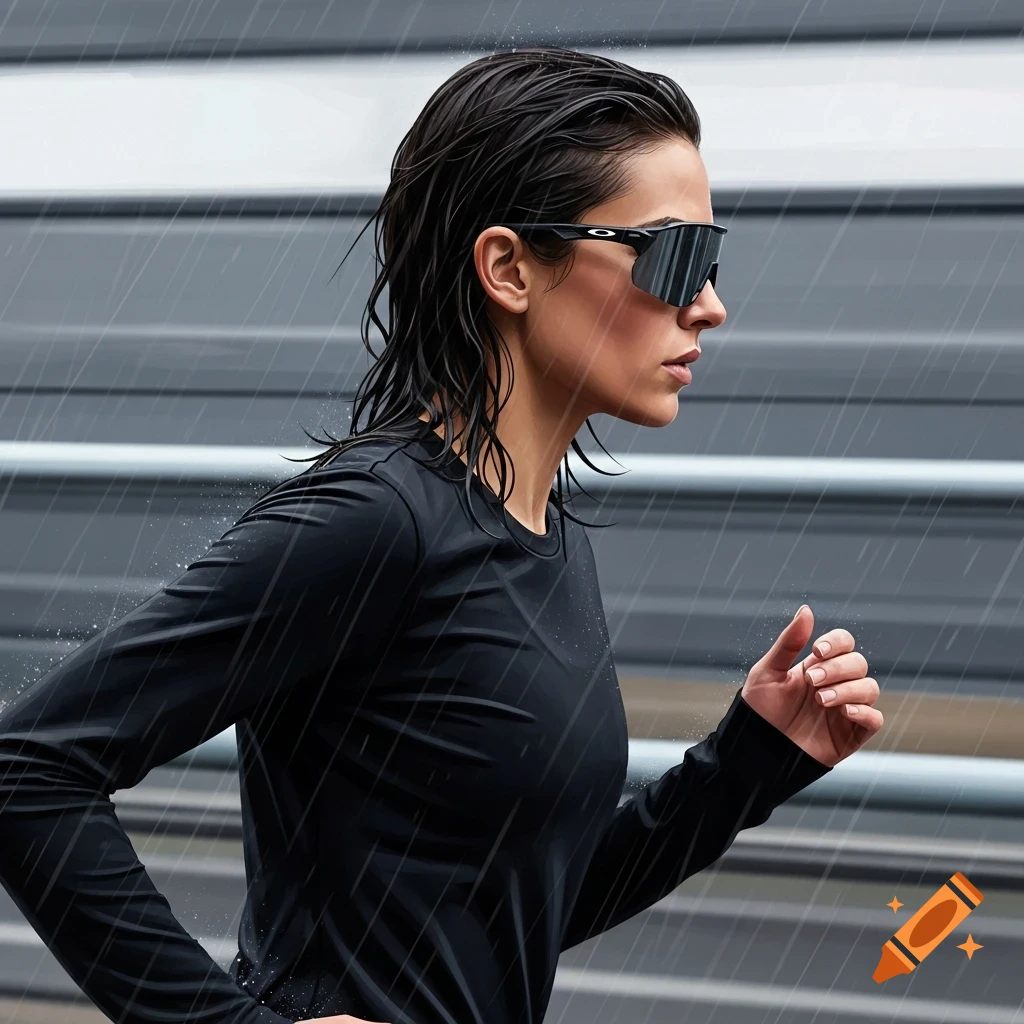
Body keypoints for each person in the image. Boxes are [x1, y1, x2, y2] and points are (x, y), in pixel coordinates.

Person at [0, 46, 883, 1024]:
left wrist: (746, 764)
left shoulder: (539, 532)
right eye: (674, 257)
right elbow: (29, 765)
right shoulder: (374, 521)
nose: (709, 304)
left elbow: (513, 908)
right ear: (508, 267)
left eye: (712, 261)